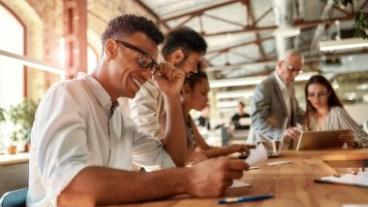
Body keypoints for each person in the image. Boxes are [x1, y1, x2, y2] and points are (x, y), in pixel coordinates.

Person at [27, 14, 248, 207]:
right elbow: (69, 191)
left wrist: (171, 97)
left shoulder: (119, 120)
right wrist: (186, 179)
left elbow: (169, 163)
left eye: (152, 66)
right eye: (143, 61)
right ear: (111, 48)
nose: (147, 75)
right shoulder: (68, 96)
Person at [129, 26, 207, 139]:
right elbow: (146, 136)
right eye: (194, 62)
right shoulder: (148, 74)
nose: (195, 70)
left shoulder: (164, 77)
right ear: (178, 56)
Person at [182, 71, 249, 161]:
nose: (207, 99)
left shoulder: (188, 118)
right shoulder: (174, 118)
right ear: (186, 90)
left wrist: (233, 148)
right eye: (203, 93)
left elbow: (206, 148)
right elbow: (189, 158)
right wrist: (229, 150)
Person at [249, 50, 304, 147]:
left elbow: (297, 113)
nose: (294, 75)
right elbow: (257, 122)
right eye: (291, 69)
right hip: (262, 148)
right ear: (279, 64)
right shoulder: (264, 87)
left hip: (281, 148)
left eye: (298, 71)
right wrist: (281, 133)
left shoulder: (290, 87)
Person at [304, 75, 368, 148]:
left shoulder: (337, 113)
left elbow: (365, 140)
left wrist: (353, 143)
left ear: (328, 93)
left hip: (341, 158)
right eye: (311, 95)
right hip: (318, 158)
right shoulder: (310, 118)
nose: (316, 99)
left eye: (321, 94)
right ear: (307, 97)